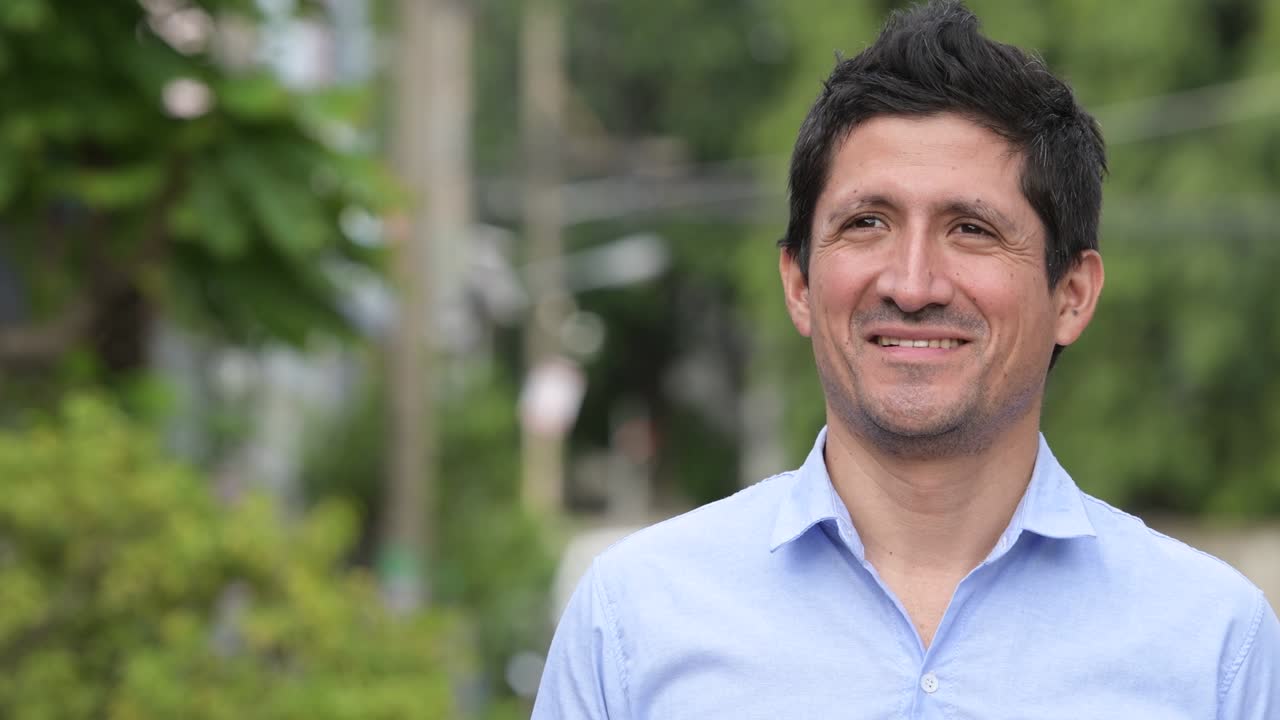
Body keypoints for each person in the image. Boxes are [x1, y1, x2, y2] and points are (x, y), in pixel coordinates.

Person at [531, 2, 1280, 717]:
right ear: (797, 282)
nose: (913, 284)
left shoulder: (1214, 646)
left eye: (972, 230)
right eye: (867, 222)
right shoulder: (634, 621)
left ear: (1074, 294)